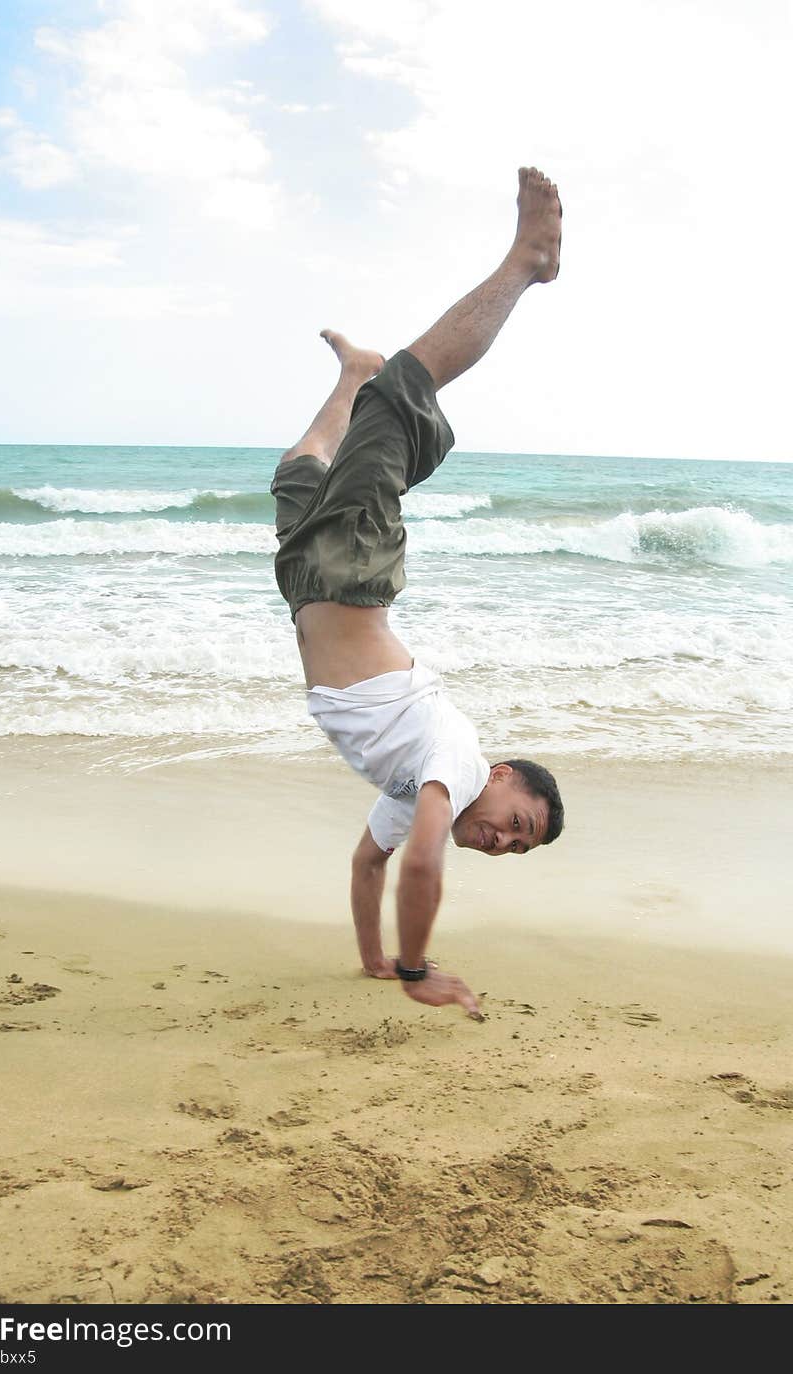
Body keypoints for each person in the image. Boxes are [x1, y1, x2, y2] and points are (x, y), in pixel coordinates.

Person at [271, 167, 565, 1019]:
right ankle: (527, 262)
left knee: (297, 476)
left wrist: (369, 959)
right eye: (519, 821)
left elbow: (372, 866)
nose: (501, 840)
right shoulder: (456, 763)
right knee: (406, 393)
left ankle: (350, 374)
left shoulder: (409, 794)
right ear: (503, 776)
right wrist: (414, 967)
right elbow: (423, 868)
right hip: (352, 580)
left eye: (512, 850)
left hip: (307, 585)